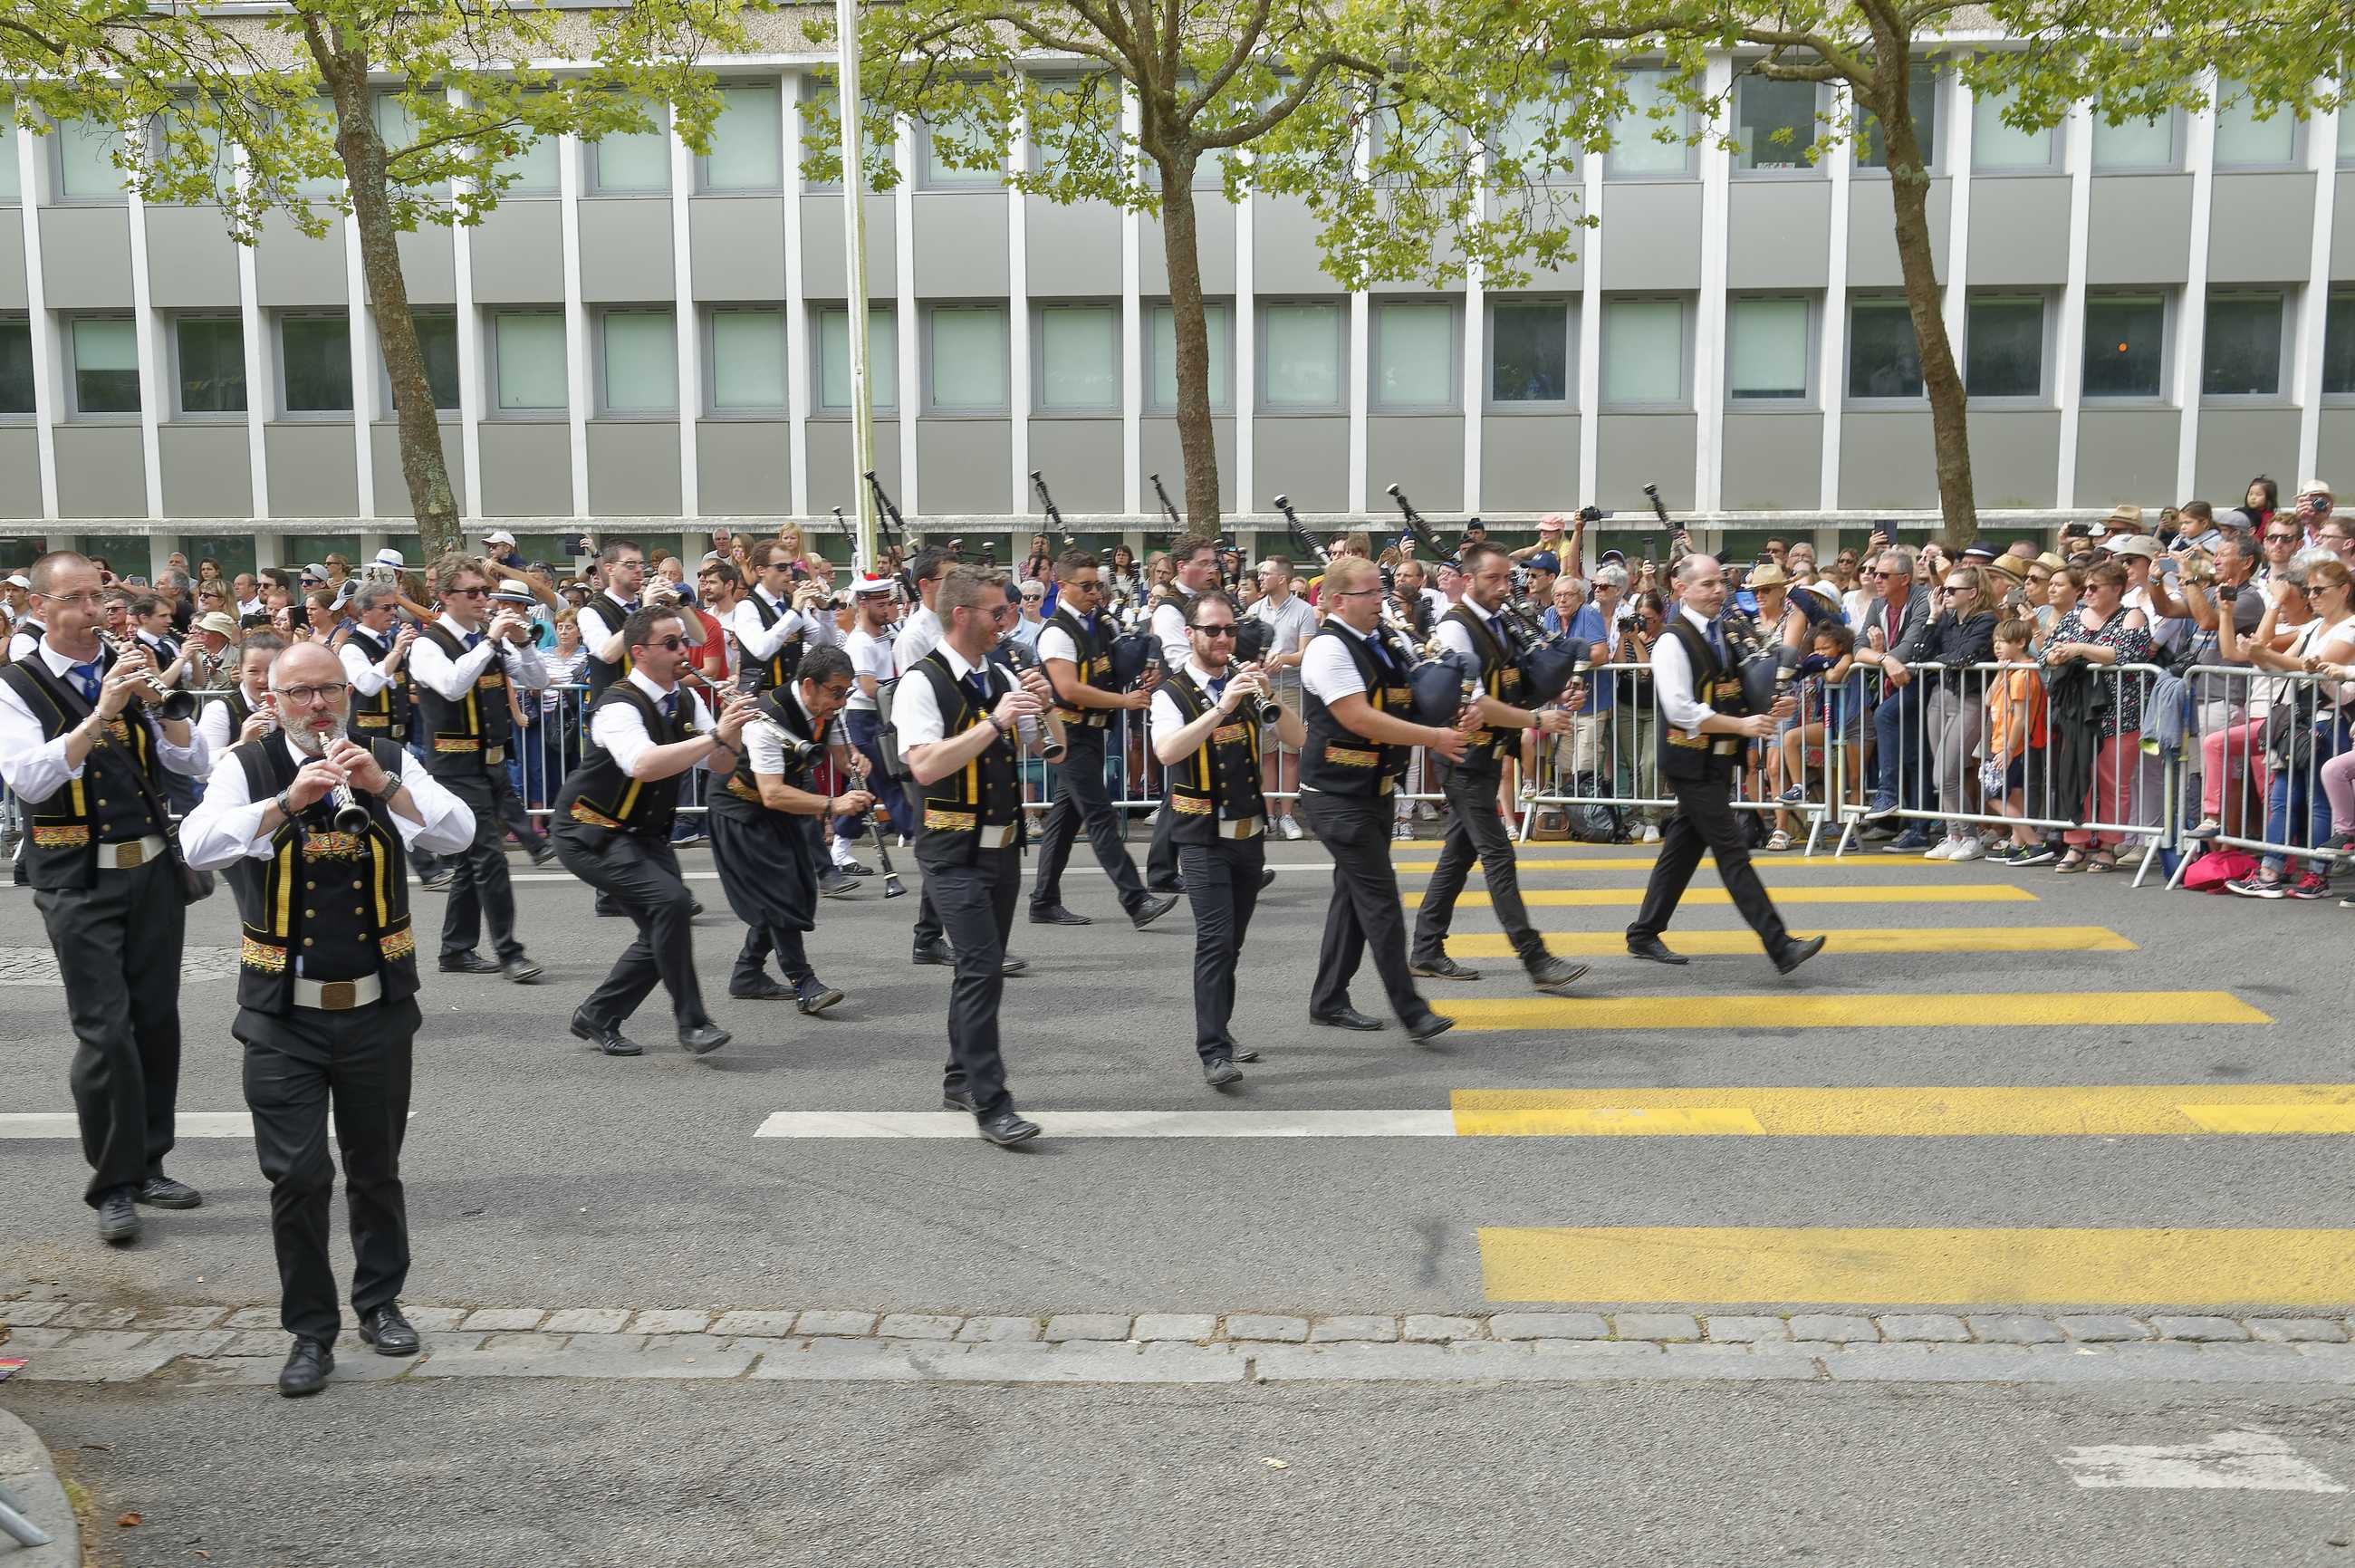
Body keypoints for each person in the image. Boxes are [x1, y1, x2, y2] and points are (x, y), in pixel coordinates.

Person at [178, 641, 472, 1397]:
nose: (317, 706)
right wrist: (287, 801)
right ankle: (310, 1330)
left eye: (330, 690)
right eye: (301, 693)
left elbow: (460, 832)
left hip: (376, 1006)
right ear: (271, 701)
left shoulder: (383, 756)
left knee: (375, 1167)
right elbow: (197, 844)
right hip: (282, 1014)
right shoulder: (248, 766)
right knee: (298, 1175)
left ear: (347, 694)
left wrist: (385, 787)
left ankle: (380, 1302)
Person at [0, 552, 212, 1244]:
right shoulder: (17, 686)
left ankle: (149, 1163)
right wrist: (101, 713)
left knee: (156, 1022)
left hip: (150, 870)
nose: (94, 611)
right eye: (76, 600)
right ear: (40, 607)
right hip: (76, 878)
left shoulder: (129, 665)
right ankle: (113, 1183)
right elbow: (30, 780)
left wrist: (161, 703)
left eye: (99, 597)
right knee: (106, 1033)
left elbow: (189, 762)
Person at [896, 564, 1067, 1146]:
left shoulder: (1001, 673)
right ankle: (993, 1102)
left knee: (979, 968)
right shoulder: (922, 681)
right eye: (997, 613)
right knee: (981, 967)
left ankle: (959, 1079)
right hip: (951, 849)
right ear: (962, 615)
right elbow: (924, 766)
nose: (1006, 622)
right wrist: (995, 721)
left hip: (1002, 847)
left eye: (1009, 612)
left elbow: (1054, 752)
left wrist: (1046, 706)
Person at [553, 605, 755, 1055]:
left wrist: (734, 725)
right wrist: (714, 736)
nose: (684, 651)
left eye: (684, 641)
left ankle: (597, 1014)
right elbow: (642, 765)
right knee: (671, 904)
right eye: (672, 644)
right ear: (640, 652)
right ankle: (693, 1023)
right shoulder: (617, 706)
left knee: (666, 924)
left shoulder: (686, 699)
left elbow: (719, 763)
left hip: (643, 833)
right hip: (591, 830)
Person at [1295, 555, 1473, 1042]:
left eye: (1381, 590)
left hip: (1373, 791)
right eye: (1370, 593)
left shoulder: (1383, 642)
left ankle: (1329, 999)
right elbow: (1358, 717)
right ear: (1337, 601)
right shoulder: (1328, 649)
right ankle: (1412, 1010)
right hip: (1335, 795)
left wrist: (1456, 709)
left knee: (1352, 898)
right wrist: (1434, 739)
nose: (1382, 599)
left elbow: (1413, 700)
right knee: (1380, 901)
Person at [1624, 555, 1826, 974]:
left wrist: (1773, 705)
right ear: (1680, 589)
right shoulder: (1672, 641)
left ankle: (1644, 932)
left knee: (1682, 847)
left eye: (1720, 583)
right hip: (1689, 762)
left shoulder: (1725, 632)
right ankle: (1779, 945)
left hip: (1717, 761)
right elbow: (1680, 710)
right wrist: (1742, 725)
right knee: (1732, 851)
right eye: (1707, 584)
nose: (1718, 590)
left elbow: (1740, 690)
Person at [1408, 542, 1590, 995]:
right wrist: (1536, 720)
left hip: (1488, 756)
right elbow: (1476, 701)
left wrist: (1556, 695)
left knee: (1459, 854)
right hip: (1463, 758)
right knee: (1498, 855)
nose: (1505, 586)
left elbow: (1515, 684)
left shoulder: (1498, 621)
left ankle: (1426, 948)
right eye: (1494, 578)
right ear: (1468, 580)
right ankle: (1536, 958)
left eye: (1508, 578)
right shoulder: (1454, 629)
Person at [1150, 592, 1302, 1085]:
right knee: (1215, 942)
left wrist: (1268, 693)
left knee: (1231, 943)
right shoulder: (1171, 693)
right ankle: (1213, 1050)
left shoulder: (1245, 683)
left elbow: (1299, 739)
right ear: (1189, 634)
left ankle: (1222, 1031)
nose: (1223, 639)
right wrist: (1221, 707)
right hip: (1201, 837)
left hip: (1248, 835)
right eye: (1212, 630)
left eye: (1230, 630)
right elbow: (1167, 752)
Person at [711, 644, 875, 1012]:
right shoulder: (766, 719)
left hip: (780, 806)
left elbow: (841, 758)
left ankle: (747, 972)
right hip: (741, 808)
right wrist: (833, 804)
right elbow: (771, 793)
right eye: (836, 692)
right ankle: (804, 982)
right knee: (779, 894)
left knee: (797, 891)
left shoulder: (828, 709)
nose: (841, 702)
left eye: (845, 693)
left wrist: (856, 762)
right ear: (808, 686)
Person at [409, 554, 547, 982]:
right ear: (445, 596)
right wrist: (489, 641)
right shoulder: (428, 645)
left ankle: (456, 949)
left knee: (472, 862)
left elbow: (539, 681)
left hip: (492, 763)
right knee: (489, 857)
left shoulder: (490, 639)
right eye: (472, 592)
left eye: (485, 591)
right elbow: (452, 686)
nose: (483, 599)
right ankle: (510, 953)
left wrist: (523, 643)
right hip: (454, 768)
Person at [1028, 550, 1178, 929]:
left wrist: (1143, 670)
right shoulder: (1057, 632)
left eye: (1097, 585)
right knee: (1099, 816)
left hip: (1093, 731)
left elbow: (1111, 668)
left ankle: (1043, 901)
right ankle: (1135, 899)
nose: (1095, 592)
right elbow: (1068, 688)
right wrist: (1124, 701)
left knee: (1064, 821)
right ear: (1062, 586)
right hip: (1069, 734)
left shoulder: (1097, 622)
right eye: (1086, 586)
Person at [2041, 560, 2154, 873]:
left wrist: (2078, 649)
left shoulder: (2133, 616)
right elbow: (2046, 652)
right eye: (2085, 587)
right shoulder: (2073, 616)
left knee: (2114, 782)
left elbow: (2127, 653)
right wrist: (2057, 655)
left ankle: (2108, 846)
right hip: (2077, 712)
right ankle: (2076, 844)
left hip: (2120, 713)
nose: (2087, 593)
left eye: (2094, 587)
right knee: (2075, 777)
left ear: (2116, 589)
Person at [1143, 534, 1223, 894]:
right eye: (1204, 563)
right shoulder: (1170, 608)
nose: (1212, 569)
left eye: (1213, 563)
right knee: (1183, 784)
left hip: (1209, 698)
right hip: (1184, 702)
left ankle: (1166, 869)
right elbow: (1178, 659)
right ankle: (1164, 871)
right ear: (1182, 567)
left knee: (1187, 785)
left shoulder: (1210, 600)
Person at [841, 576, 914, 843]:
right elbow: (869, 687)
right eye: (880, 605)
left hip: (881, 715)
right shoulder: (860, 642)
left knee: (866, 784)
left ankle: (840, 844)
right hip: (864, 717)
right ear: (863, 604)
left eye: (888, 604)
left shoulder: (885, 633)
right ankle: (917, 833)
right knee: (889, 779)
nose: (886, 610)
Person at [338, 582, 417, 748]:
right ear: (364, 611)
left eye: (394, 606)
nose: (393, 612)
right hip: (367, 739)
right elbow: (368, 685)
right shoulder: (351, 648)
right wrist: (397, 651)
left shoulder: (393, 640)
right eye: (386, 608)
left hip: (401, 739)